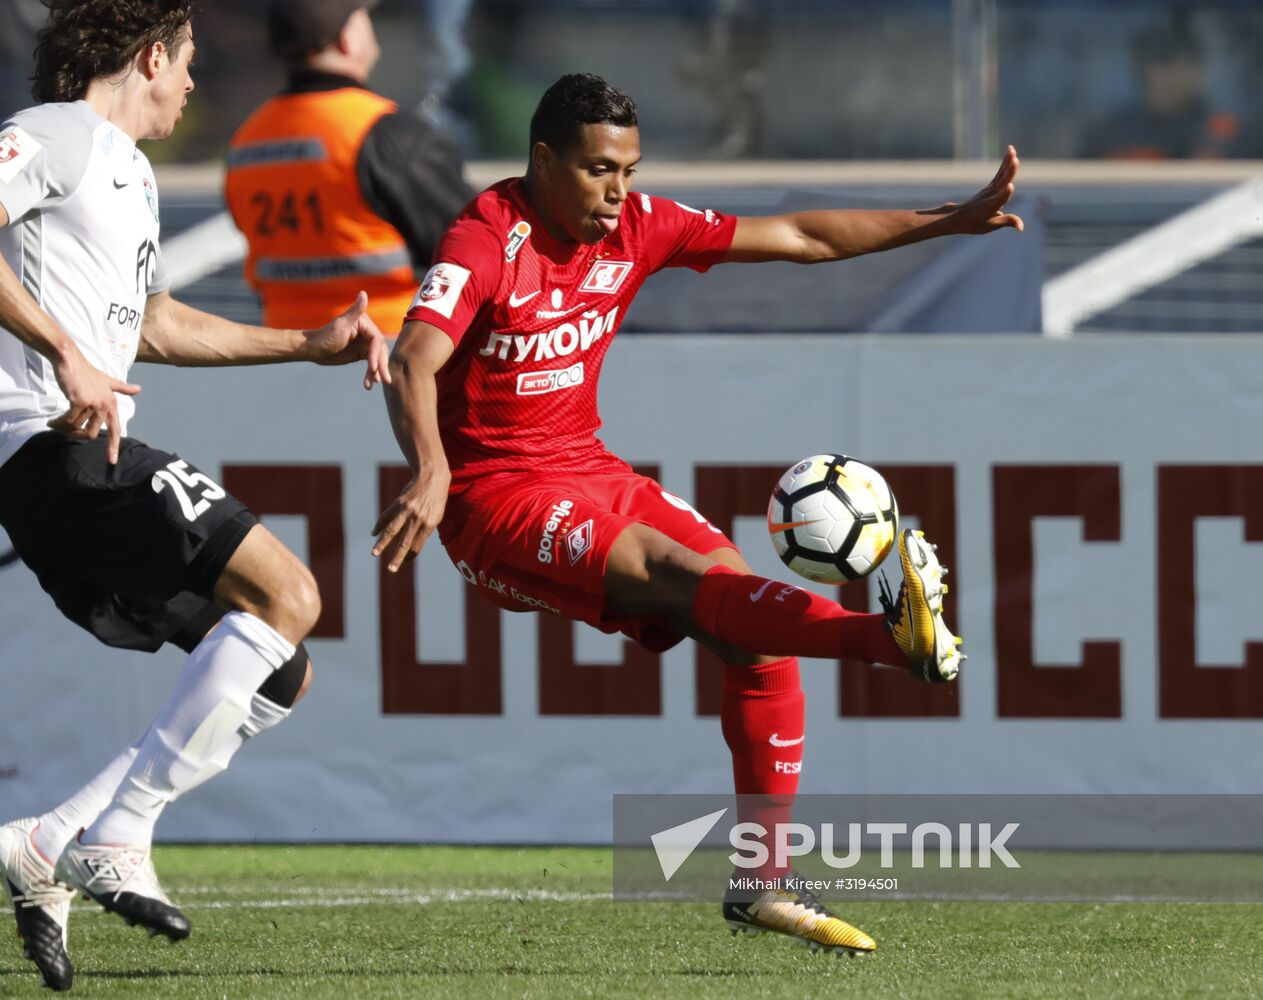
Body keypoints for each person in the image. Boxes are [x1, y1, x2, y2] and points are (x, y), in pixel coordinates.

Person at [373, 73, 1022, 954]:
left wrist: (943, 221)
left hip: (590, 471)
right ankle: (888, 639)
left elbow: (798, 234)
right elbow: (414, 357)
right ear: (541, 160)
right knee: (672, 574)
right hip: (494, 498)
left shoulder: (638, 227)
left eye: (629, 170)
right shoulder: (486, 236)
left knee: (749, 627)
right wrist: (433, 470)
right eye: (599, 169)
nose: (618, 191)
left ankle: (763, 883)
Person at [0, 1, 389, 992]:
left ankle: (51, 838)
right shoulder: (57, 133)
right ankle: (117, 835)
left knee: (275, 670)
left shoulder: (126, 173)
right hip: (53, 450)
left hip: (75, 458)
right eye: (188, 64)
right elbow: (88, 344)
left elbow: (161, 323)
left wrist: (304, 343)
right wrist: (65, 354)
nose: (192, 84)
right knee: (290, 595)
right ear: (150, 54)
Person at [225, 0, 472, 337]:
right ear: (347, 39)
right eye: (363, 15)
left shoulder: (246, 140)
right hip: (388, 352)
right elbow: (475, 243)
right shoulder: (388, 134)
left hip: (284, 352)